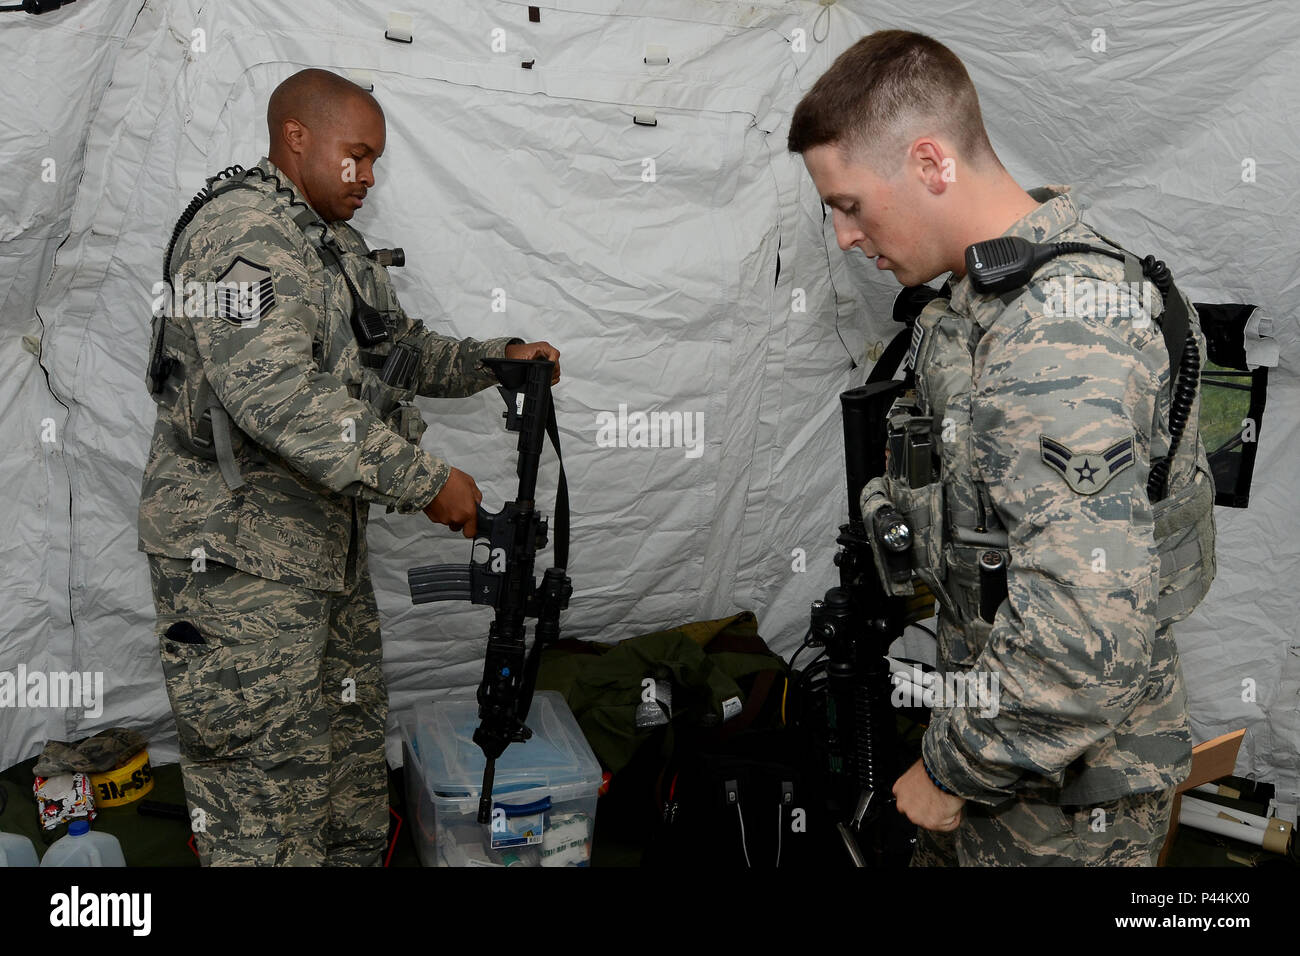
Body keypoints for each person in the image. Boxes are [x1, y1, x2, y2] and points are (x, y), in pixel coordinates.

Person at [788, 31, 1215, 865]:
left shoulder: (1063, 336)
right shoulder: (981, 299)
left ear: (930, 163)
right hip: (1003, 749)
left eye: (847, 203)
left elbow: (1083, 638)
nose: (842, 236)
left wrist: (950, 772)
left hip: (1062, 806)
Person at [138, 68, 561, 865]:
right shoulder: (242, 238)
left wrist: (495, 359)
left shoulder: (331, 244)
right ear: (297, 137)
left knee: (346, 762)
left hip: (318, 551)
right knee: (264, 794)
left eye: (376, 162)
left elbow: (395, 350)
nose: (367, 176)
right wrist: (428, 481)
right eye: (357, 155)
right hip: (236, 566)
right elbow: (275, 398)